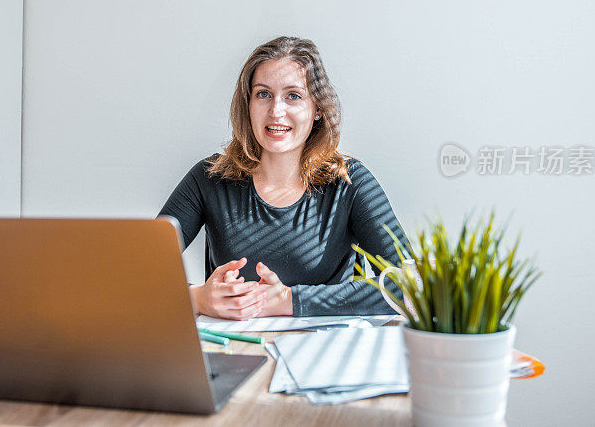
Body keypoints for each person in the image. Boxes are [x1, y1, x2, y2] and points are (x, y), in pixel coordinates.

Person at [158, 36, 411, 319]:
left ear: (317, 109)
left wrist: (290, 300)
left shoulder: (350, 183)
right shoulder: (208, 179)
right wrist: (198, 298)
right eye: (263, 94)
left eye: (293, 96)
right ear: (248, 105)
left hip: (323, 351)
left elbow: (409, 285)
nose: (276, 111)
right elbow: (135, 273)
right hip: (237, 353)